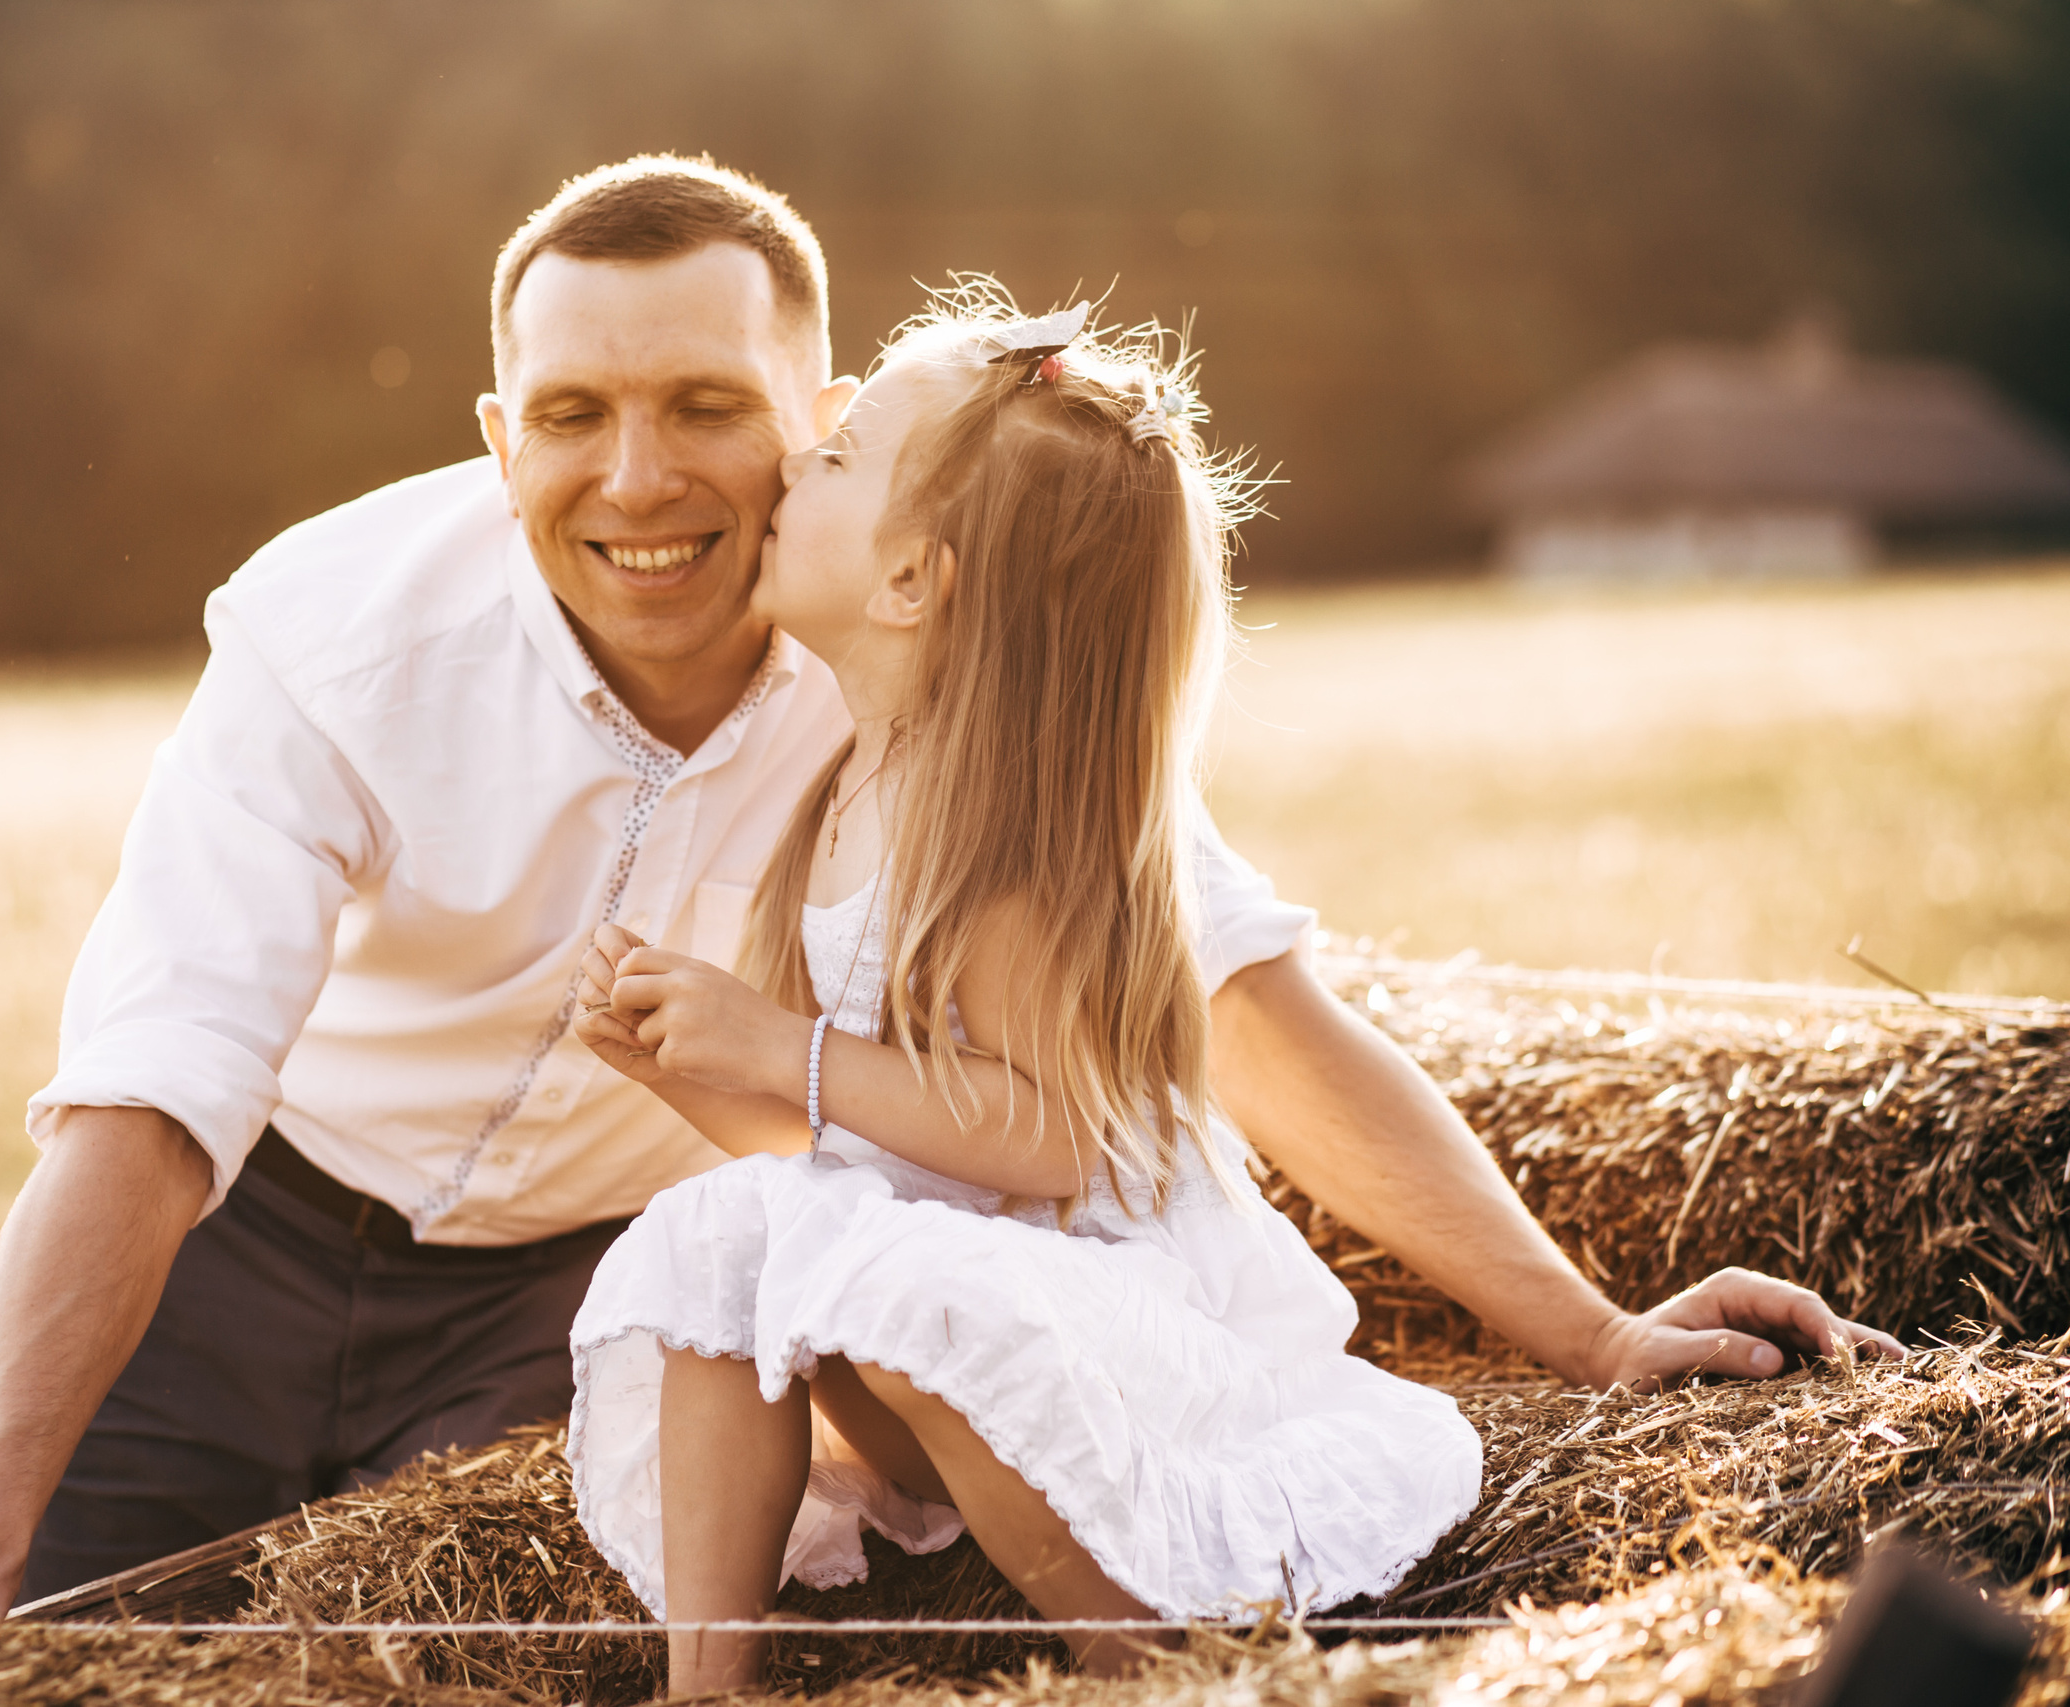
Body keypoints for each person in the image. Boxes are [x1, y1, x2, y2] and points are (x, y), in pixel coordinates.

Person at [0, 155, 1897, 1701]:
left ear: (823, 428)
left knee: (465, 1653)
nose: (636, 477)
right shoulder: (328, 637)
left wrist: (1583, 1330)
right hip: (251, 1229)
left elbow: (1240, 997)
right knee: (36, 1654)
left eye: (703, 408)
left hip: (554, 1289)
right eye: (569, 414)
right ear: (498, 436)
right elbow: (154, 1089)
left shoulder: (922, 671)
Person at [562, 297, 1484, 1691]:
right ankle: (709, 1682)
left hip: (1121, 1350)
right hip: (939, 1336)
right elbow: (849, 1168)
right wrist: (694, 1066)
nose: (807, 444)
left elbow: (1055, 1138)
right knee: (721, 1240)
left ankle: (1141, 1660)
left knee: (915, 1287)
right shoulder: (840, 799)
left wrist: (780, 1045)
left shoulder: (996, 842)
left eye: (845, 451)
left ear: (911, 586)